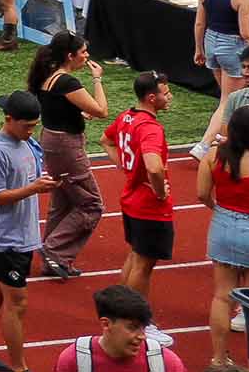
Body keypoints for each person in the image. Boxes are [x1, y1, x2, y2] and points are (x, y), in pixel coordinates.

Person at [0, 90, 58, 372]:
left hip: (22, 235)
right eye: (27, 126)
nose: (31, 131)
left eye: (34, 125)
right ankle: (19, 368)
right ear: (9, 119)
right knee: (17, 303)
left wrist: (41, 182)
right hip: (6, 239)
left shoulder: (26, 142)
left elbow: (29, 179)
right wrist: (33, 189)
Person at [102, 73, 176, 349]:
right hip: (149, 206)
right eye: (166, 93)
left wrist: (128, 170)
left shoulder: (127, 117)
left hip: (131, 200)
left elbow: (105, 140)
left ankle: (119, 311)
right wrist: (159, 190)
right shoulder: (151, 128)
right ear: (151, 97)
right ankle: (135, 320)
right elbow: (155, 166)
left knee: (135, 257)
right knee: (144, 265)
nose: (169, 98)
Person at [28, 31, 108, 280]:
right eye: (83, 52)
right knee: (91, 204)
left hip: (52, 141)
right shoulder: (67, 82)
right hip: (66, 147)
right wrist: (97, 80)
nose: (86, 57)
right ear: (70, 55)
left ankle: (52, 261)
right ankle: (54, 250)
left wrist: (78, 116)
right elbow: (102, 110)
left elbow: (56, 109)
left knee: (62, 202)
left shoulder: (46, 78)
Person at [199, 102, 249, 372]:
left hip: (223, 227)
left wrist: (222, 212)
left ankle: (218, 359)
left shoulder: (213, 156)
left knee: (222, 297)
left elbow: (202, 194)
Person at [50, 285, 185, 372]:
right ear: (106, 324)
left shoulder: (166, 362)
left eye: (143, 328)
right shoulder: (74, 361)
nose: (142, 336)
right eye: (133, 328)